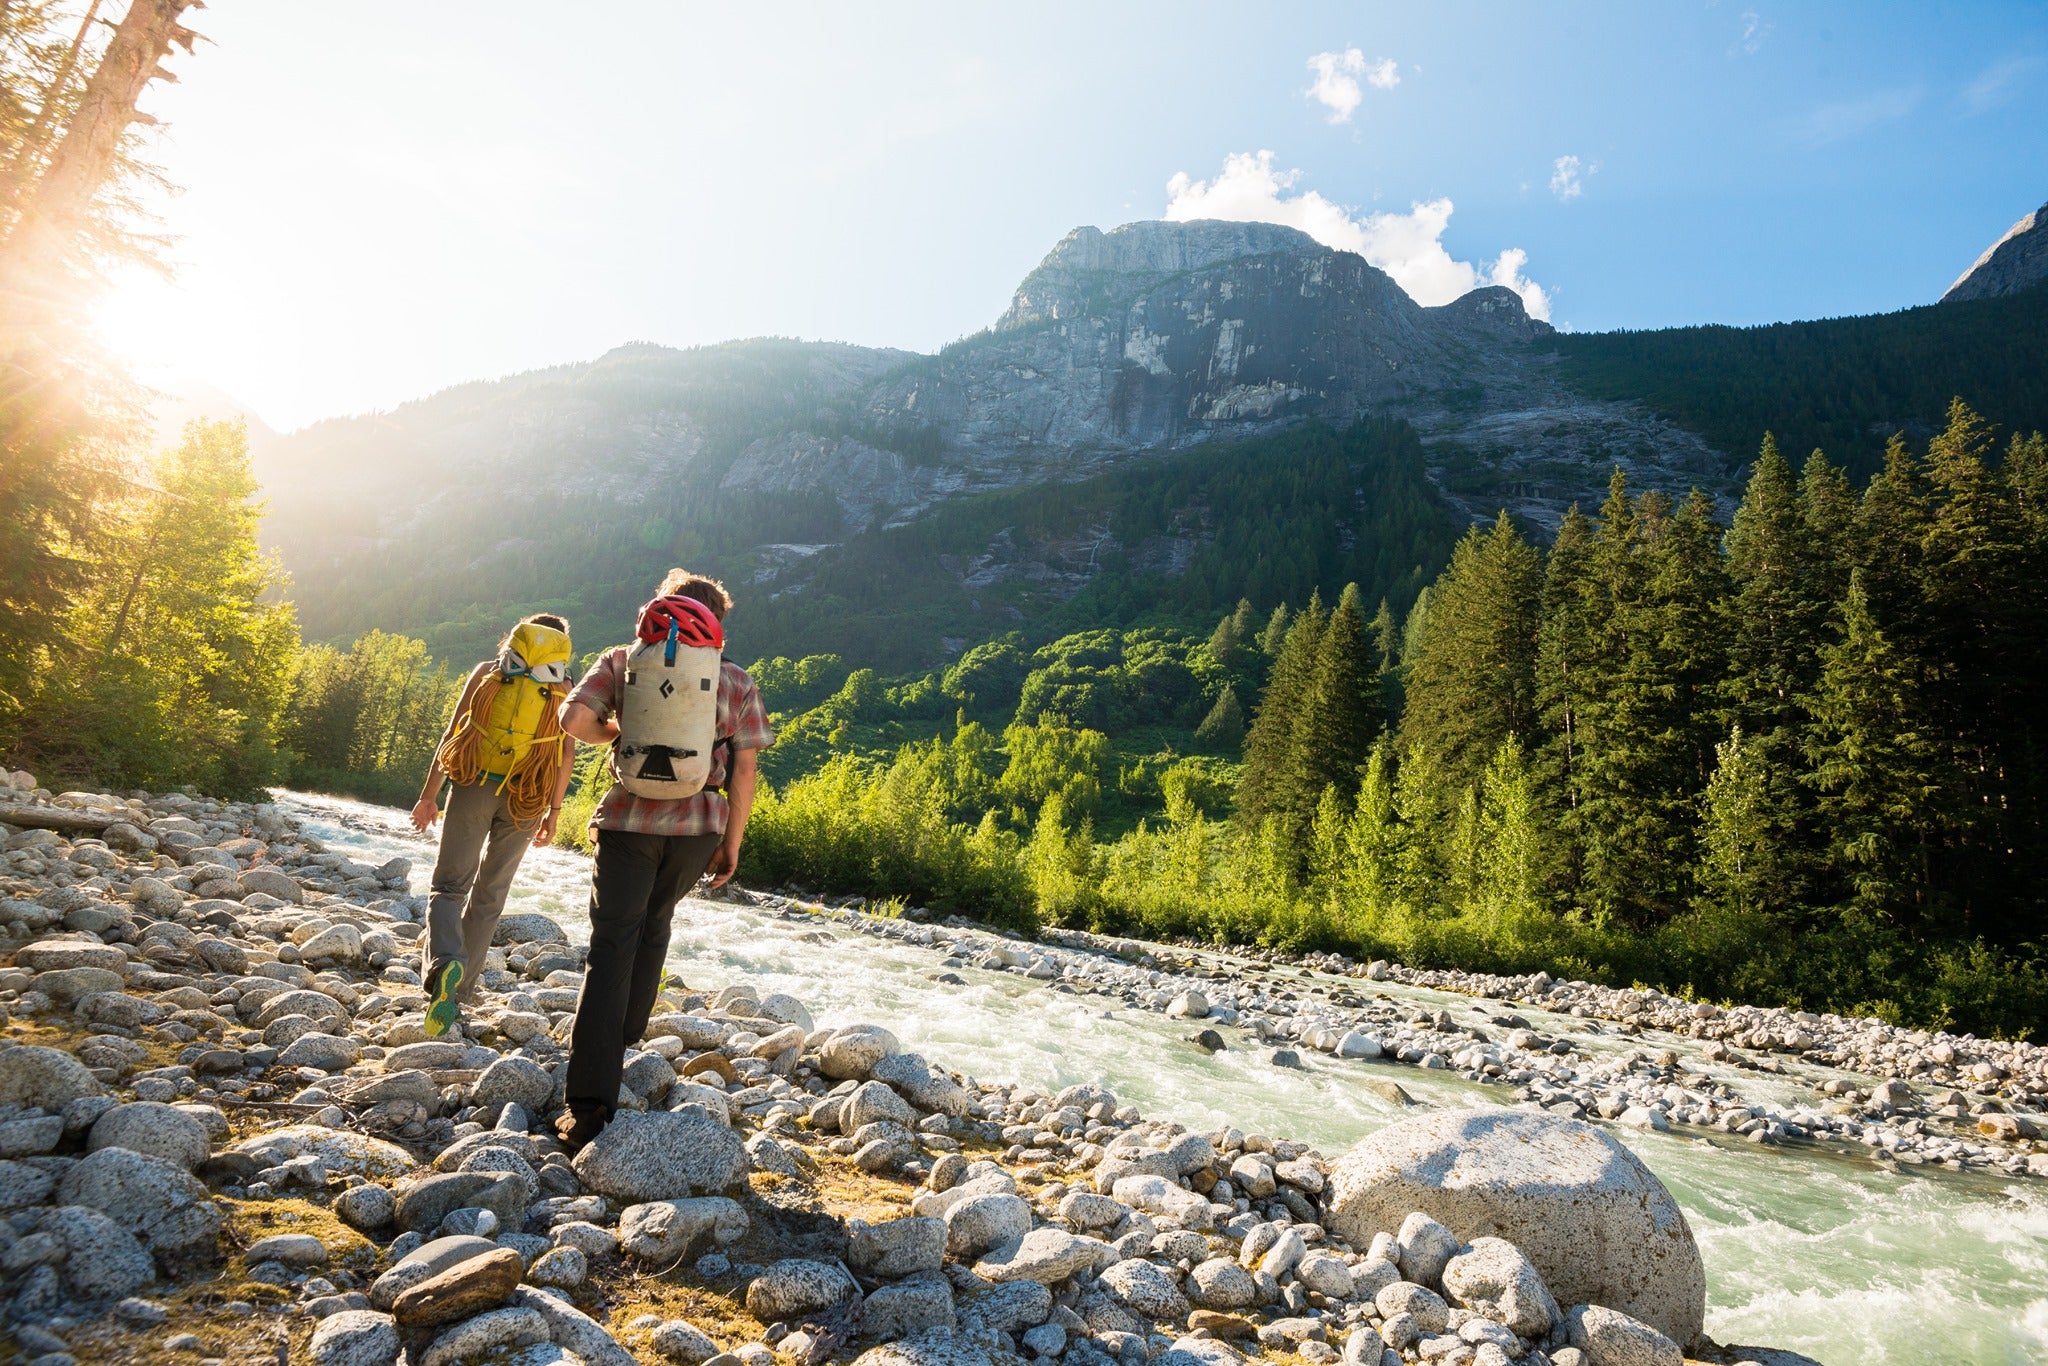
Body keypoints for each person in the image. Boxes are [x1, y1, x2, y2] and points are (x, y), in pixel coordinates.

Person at [554, 570, 774, 1152]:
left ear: (658, 610)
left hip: (628, 821)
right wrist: (732, 841)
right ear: (716, 622)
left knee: (611, 945)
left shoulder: (622, 660)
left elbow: (573, 721)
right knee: (656, 922)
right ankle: (626, 1032)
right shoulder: (735, 680)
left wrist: (621, 730)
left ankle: (588, 1106)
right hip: (698, 829)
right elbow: (745, 770)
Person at [411, 613, 578, 1037]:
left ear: (515, 640)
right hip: (528, 797)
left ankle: (445, 963)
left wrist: (429, 796)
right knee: (490, 896)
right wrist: (554, 811)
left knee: (449, 887)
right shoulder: (563, 689)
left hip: (474, 783)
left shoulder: (488, 673)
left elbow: (455, 732)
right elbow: (566, 755)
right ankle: (458, 994)